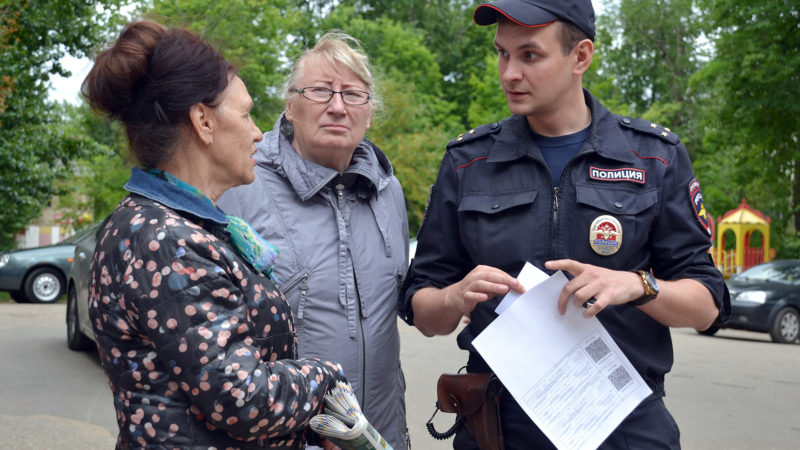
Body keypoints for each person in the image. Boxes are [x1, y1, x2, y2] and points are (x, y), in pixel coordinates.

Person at [398, 1, 731, 449]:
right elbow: (422, 309)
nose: (509, 73)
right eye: (502, 54)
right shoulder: (469, 162)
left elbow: (707, 303)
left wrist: (637, 285)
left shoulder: (654, 157)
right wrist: (453, 297)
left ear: (581, 57)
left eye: (529, 55)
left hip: (624, 427)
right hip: (499, 428)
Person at [83, 20, 347, 448]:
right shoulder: (162, 240)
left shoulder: (182, 228)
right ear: (203, 122)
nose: (258, 131)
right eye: (245, 114)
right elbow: (243, 400)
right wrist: (326, 378)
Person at [218, 31, 409, 449]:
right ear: (290, 106)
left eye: (353, 94)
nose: (338, 107)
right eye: (321, 91)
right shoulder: (239, 186)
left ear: (369, 113)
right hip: (287, 440)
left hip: (382, 436)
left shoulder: (389, 191)